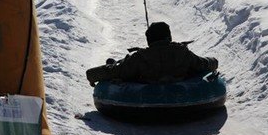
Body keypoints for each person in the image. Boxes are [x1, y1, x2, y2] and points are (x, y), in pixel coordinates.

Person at [86, 21, 218, 86]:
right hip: (179, 87)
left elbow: (117, 71)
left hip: (148, 93)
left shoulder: (140, 57)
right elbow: (202, 64)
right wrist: (214, 61)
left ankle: (111, 62)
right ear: (169, 37)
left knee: (118, 67)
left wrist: (92, 75)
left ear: (150, 40)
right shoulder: (182, 52)